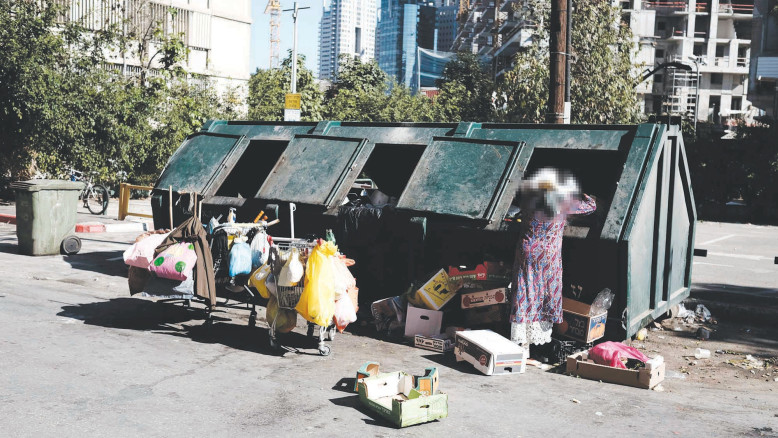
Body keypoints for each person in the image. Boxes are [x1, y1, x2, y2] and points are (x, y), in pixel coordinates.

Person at [509, 168, 596, 346]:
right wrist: (581, 194)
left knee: (525, 292)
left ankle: (522, 344)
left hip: (527, 251)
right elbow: (591, 206)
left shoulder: (529, 199)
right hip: (548, 255)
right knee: (546, 292)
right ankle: (538, 339)